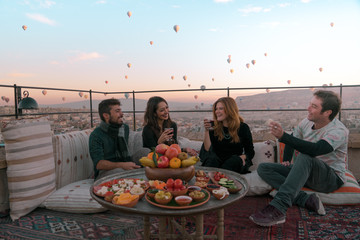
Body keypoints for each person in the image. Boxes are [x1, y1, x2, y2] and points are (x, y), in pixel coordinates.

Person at [250, 90, 348, 227]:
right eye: (310, 104)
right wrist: (286, 159)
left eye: (314, 106)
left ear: (327, 112)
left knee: (306, 155)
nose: (308, 108)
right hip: (306, 172)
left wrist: (283, 136)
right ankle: (305, 199)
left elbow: (316, 150)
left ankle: (279, 207)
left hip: (330, 178)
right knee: (264, 168)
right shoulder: (306, 122)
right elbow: (293, 140)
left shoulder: (338, 131)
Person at [200, 97, 255, 174]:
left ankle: (218, 179)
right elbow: (207, 148)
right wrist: (206, 131)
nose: (217, 111)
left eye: (221, 108)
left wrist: (242, 157)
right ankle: (210, 181)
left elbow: (250, 151)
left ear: (230, 110)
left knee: (234, 160)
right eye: (216, 109)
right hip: (217, 162)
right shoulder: (214, 127)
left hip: (233, 163)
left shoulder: (243, 127)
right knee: (212, 160)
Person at [89, 98, 140, 180]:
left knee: (144, 153)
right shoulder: (96, 135)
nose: (122, 114)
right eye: (117, 111)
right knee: (119, 171)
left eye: (121, 110)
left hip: (124, 162)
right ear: (106, 116)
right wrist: (123, 165)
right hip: (105, 172)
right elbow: (99, 164)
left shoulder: (124, 128)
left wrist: (126, 164)